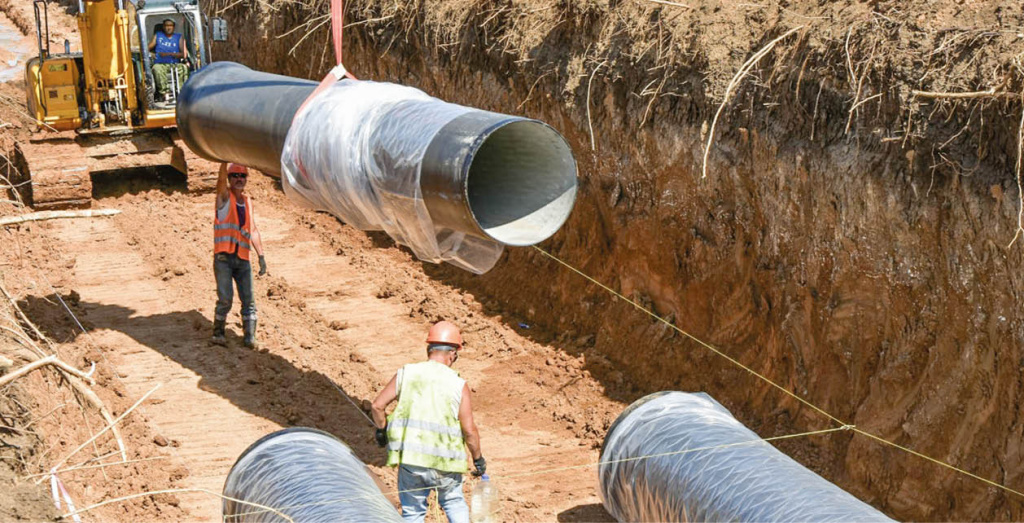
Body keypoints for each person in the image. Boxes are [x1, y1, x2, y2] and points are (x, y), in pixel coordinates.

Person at [371, 321, 485, 523]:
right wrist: (478, 459)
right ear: (452, 354)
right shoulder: (458, 384)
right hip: (446, 462)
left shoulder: (406, 373)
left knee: (413, 513)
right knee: (453, 503)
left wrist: (382, 431)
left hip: (412, 461)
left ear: (429, 349)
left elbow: (377, 406)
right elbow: (469, 430)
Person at [212, 163, 266, 348]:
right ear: (229, 178)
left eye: (242, 176)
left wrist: (261, 255)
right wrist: (223, 161)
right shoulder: (224, 197)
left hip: (242, 258)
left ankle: (250, 337)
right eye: (234, 175)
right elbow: (219, 181)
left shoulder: (248, 201)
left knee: (249, 301)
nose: (239, 179)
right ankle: (218, 333)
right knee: (226, 298)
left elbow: (253, 230)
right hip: (224, 258)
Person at [148, 19, 189, 101]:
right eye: (166, 25)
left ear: (174, 27)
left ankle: (182, 92)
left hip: (175, 64)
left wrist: (170, 54)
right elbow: (147, 48)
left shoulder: (179, 37)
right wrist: (151, 54)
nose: (168, 28)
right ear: (163, 27)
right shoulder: (158, 36)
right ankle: (165, 94)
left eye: (170, 26)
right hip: (161, 64)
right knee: (156, 68)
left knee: (184, 68)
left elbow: (184, 54)